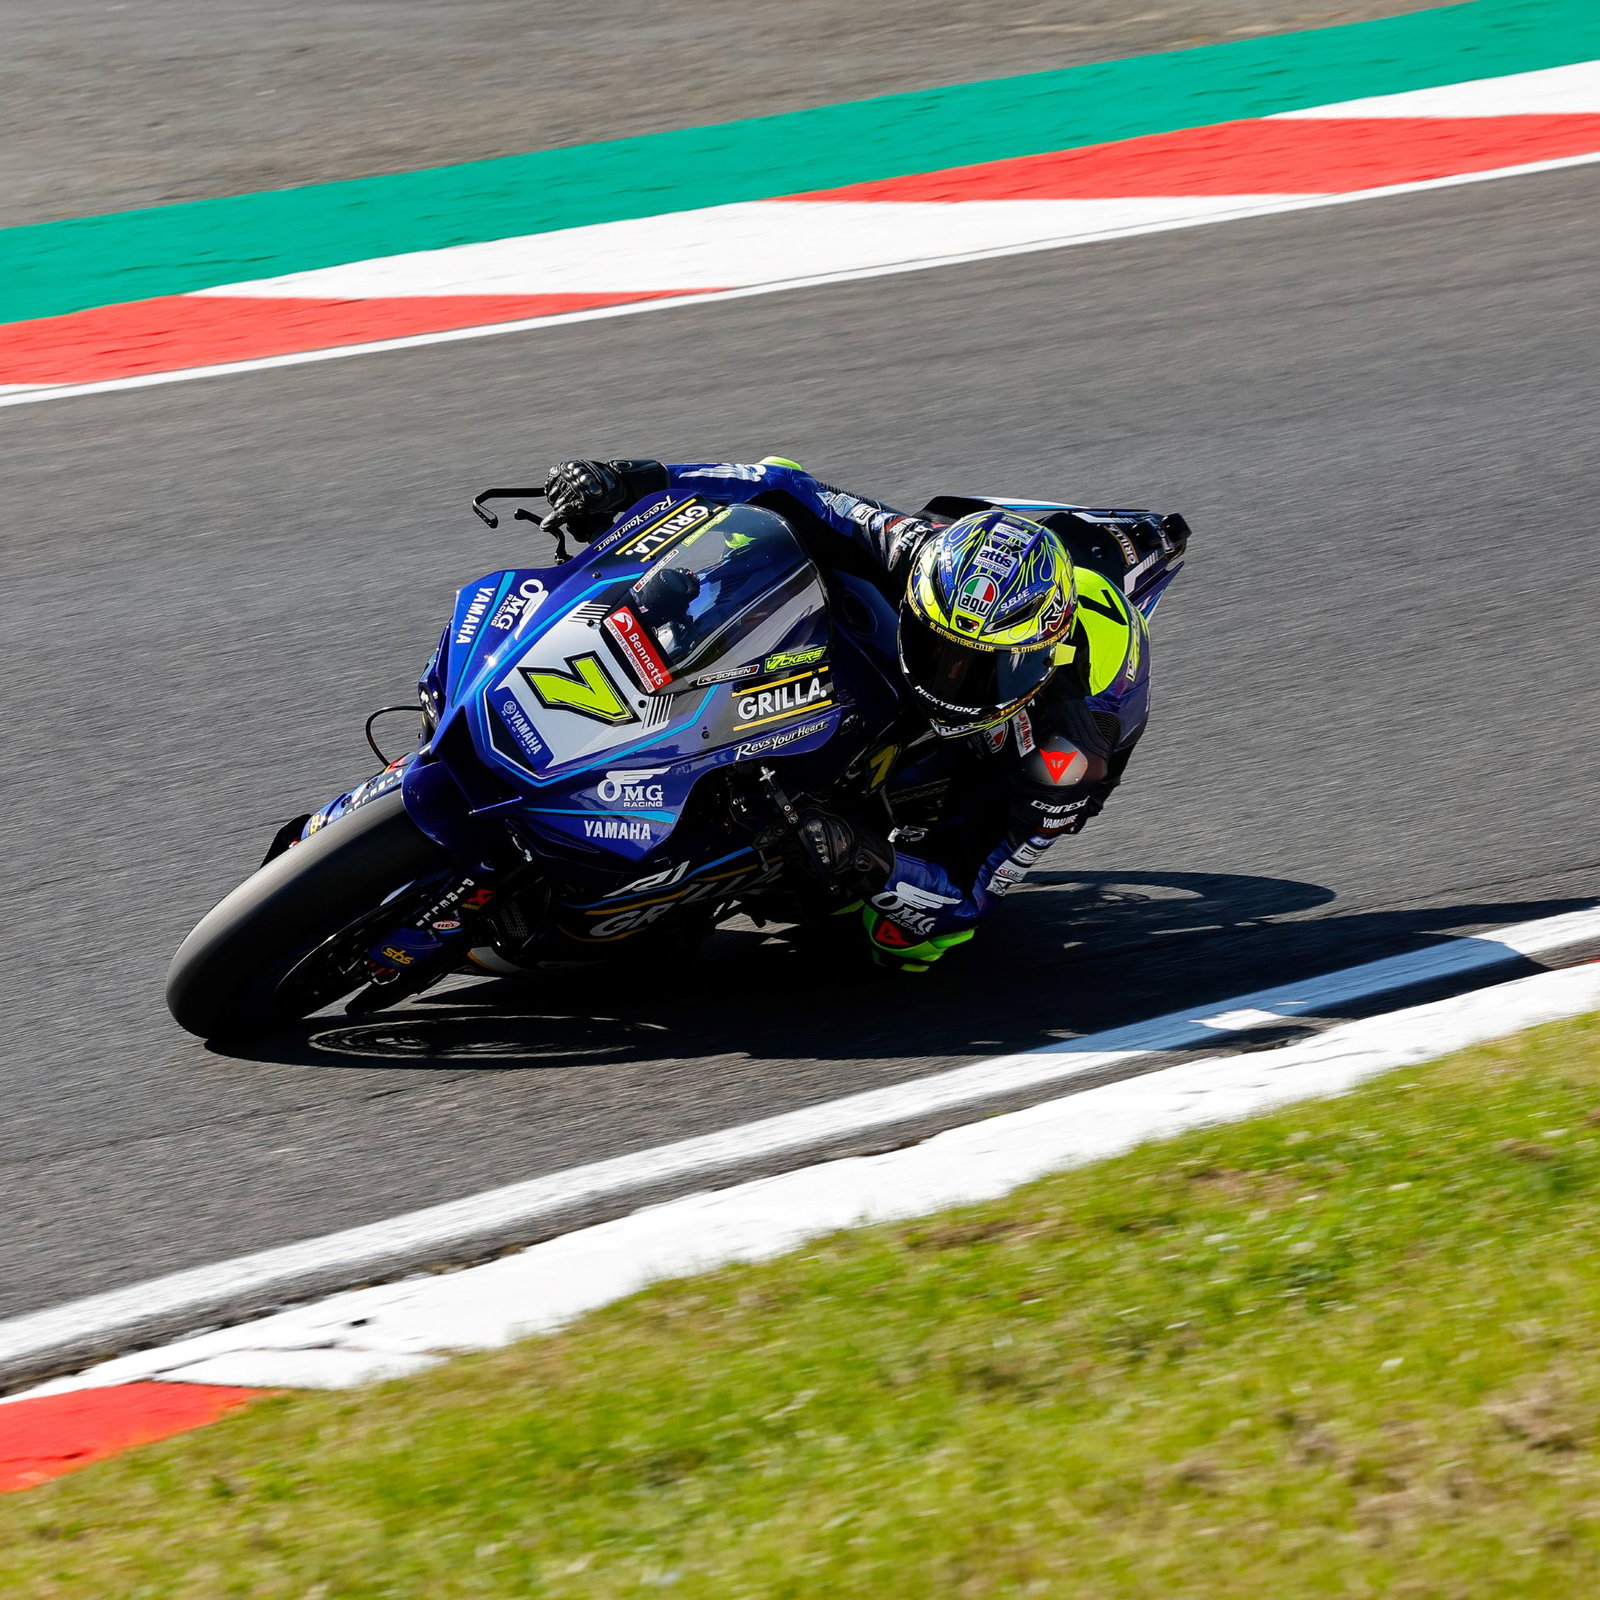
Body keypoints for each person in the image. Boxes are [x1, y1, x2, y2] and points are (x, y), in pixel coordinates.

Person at [542, 457, 1190, 972]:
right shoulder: (914, 549)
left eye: (977, 666)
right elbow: (781, 483)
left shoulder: (1066, 751)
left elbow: (965, 897)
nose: (949, 675)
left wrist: (865, 858)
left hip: (1036, 736)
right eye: (937, 649)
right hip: (981, 576)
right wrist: (635, 478)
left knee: (898, 943)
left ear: (1034, 661)